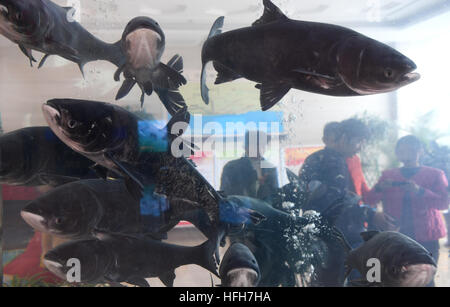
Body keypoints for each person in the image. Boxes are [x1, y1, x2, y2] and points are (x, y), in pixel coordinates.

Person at [365, 135, 449, 286]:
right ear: (397, 153)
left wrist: (420, 191)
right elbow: (369, 201)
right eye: (402, 150)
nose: (406, 153)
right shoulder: (388, 175)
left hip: (427, 236)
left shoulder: (435, 174)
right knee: (397, 279)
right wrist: (379, 188)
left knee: (425, 279)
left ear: (420, 151)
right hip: (397, 235)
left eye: (411, 149)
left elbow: (444, 203)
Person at [220, 130, 279, 201]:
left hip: (264, 211)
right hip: (238, 210)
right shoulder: (231, 167)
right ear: (246, 147)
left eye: (263, 145)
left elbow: (275, 197)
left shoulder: (271, 169)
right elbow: (226, 195)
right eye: (256, 145)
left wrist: (263, 185)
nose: (260, 149)